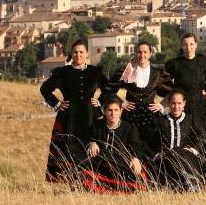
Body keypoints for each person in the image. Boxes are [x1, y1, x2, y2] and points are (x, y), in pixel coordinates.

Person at [40, 40, 108, 182]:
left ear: (87, 54)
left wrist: (100, 101)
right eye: (75, 52)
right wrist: (57, 103)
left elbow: (109, 89)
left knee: (91, 146)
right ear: (71, 54)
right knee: (69, 148)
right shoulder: (63, 73)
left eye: (81, 52)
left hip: (90, 115)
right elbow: (45, 88)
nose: (78, 55)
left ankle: (90, 181)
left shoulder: (95, 72)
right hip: (68, 117)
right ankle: (71, 181)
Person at [106, 41, 172, 156]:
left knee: (152, 151)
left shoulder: (158, 73)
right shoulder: (128, 70)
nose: (142, 55)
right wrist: (121, 103)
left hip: (151, 118)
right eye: (139, 52)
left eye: (145, 52)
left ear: (150, 53)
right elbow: (109, 89)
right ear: (135, 53)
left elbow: (172, 92)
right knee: (130, 149)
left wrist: (161, 105)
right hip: (130, 117)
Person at [81, 96, 147, 193]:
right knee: (87, 165)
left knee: (133, 175)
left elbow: (136, 146)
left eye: (116, 110)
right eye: (110, 110)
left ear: (121, 111)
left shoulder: (129, 128)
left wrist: (136, 158)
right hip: (100, 163)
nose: (113, 113)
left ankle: (116, 185)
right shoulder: (98, 125)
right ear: (104, 111)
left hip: (120, 163)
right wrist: (92, 142)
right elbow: (87, 138)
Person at [164, 33, 206, 156]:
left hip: (200, 105)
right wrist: (173, 94)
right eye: (185, 45)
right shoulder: (175, 64)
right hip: (183, 107)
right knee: (185, 135)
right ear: (182, 46)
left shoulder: (203, 61)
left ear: (196, 45)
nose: (188, 47)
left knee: (204, 136)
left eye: (191, 44)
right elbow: (164, 80)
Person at [150, 89, 206, 191]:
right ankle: (189, 182)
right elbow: (152, 141)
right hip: (167, 159)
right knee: (175, 151)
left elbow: (200, 136)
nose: (176, 106)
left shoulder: (190, 119)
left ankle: (189, 181)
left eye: (179, 103)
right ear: (168, 103)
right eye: (173, 103)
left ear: (184, 104)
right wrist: (157, 153)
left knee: (179, 151)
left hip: (188, 158)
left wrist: (193, 149)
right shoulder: (161, 120)